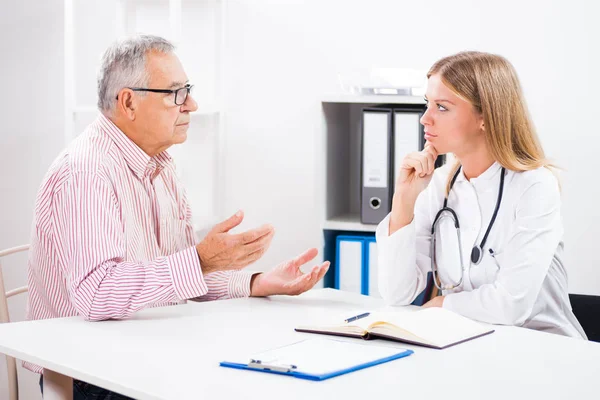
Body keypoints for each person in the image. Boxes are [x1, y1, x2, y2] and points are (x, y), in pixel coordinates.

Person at [26, 34, 329, 398]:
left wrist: (255, 283)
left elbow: (175, 277)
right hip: (90, 372)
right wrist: (200, 260)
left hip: (145, 350)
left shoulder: (160, 163)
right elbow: (96, 293)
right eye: (175, 93)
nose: (192, 104)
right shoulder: (87, 171)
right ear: (128, 102)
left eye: (188, 90)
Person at [376, 51, 586, 339]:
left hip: (544, 348)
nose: (425, 119)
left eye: (442, 107)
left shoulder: (535, 186)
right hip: (469, 344)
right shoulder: (438, 185)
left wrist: (442, 305)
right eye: (428, 104)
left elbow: (511, 305)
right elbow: (396, 294)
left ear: (485, 117)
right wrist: (403, 201)